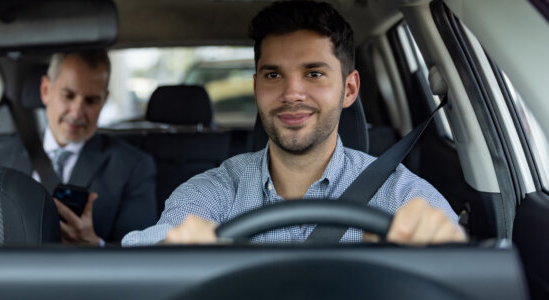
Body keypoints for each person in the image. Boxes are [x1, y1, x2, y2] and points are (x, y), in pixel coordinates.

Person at [122, 1, 466, 246]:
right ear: (257, 89)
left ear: (348, 90)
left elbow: (466, 277)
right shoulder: (214, 193)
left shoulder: (400, 196)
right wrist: (177, 252)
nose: (292, 93)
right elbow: (146, 255)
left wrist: (439, 253)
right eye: (273, 75)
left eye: (313, 73)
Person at [0, 50, 158, 245]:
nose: (77, 112)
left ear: (103, 101)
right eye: (68, 95)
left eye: (91, 100)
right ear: (45, 90)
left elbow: (139, 256)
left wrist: (96, 245)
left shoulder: (133, 167)